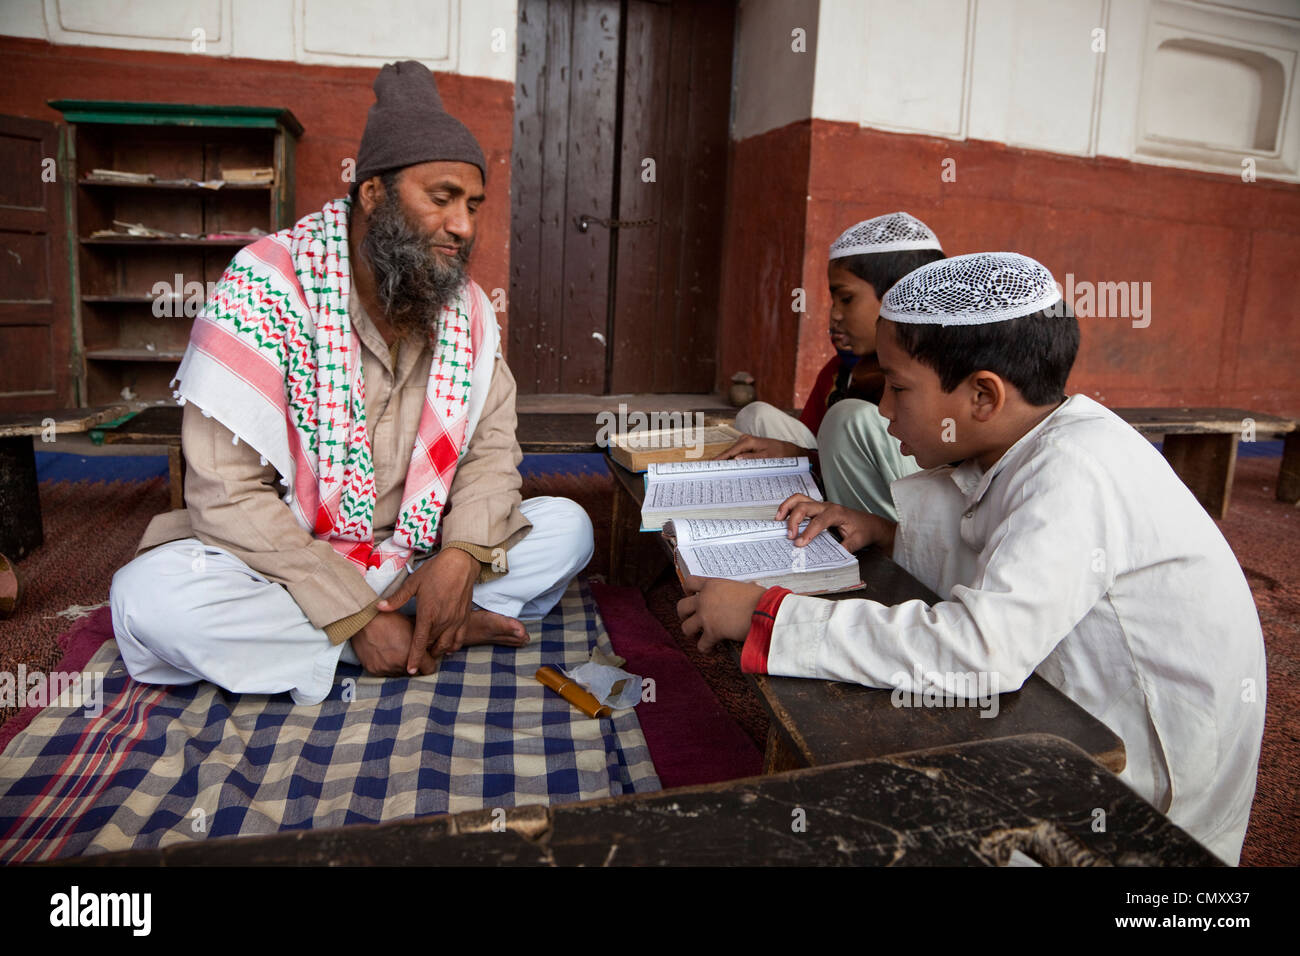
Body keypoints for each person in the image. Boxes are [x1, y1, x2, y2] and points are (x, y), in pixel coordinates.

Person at [678, 252, 1267, 865]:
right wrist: (881, 531)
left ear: (983, 396)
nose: (883, 412)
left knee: (865, 833)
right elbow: (996, 559)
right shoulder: (1021, 443)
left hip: (1140, 807)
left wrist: (767, 616)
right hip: (1070, 713)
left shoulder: (1077, 470)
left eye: (899, 389)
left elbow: (980, 652)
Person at [110, 60, 594, 705]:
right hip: (284, 566)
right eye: (442, 198)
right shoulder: (267, 289)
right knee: (152, 600)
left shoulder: (467, 308)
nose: (465, 226)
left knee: (567, 528)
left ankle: (412, 616)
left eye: (473, 205)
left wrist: (460, 558)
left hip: (413, 555)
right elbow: (226, 495)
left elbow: (491, 451)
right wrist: (356, 616)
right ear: (373, 194)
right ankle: (410, 632)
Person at [718, 212, 944, 519]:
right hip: (835, 478)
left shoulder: (939, 368)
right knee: (756, 416)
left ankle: (874, 544)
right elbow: (818, 438)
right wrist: (801, 457)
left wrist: (803, 458)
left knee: (848, 418)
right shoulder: (845, 369)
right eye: (833, 300)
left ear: (897, 294)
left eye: (847, 299)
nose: (834, 315)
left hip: (914, 515)